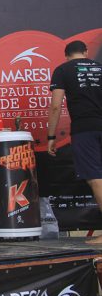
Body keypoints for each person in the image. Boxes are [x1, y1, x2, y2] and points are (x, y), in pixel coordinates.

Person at [48, 40, 102, 243]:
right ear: (86, 52)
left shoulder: (63, 70)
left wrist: (51, 136)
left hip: (85, 129)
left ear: (66, 55)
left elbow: (55, 106)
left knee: (96, 178)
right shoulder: (99, 67)